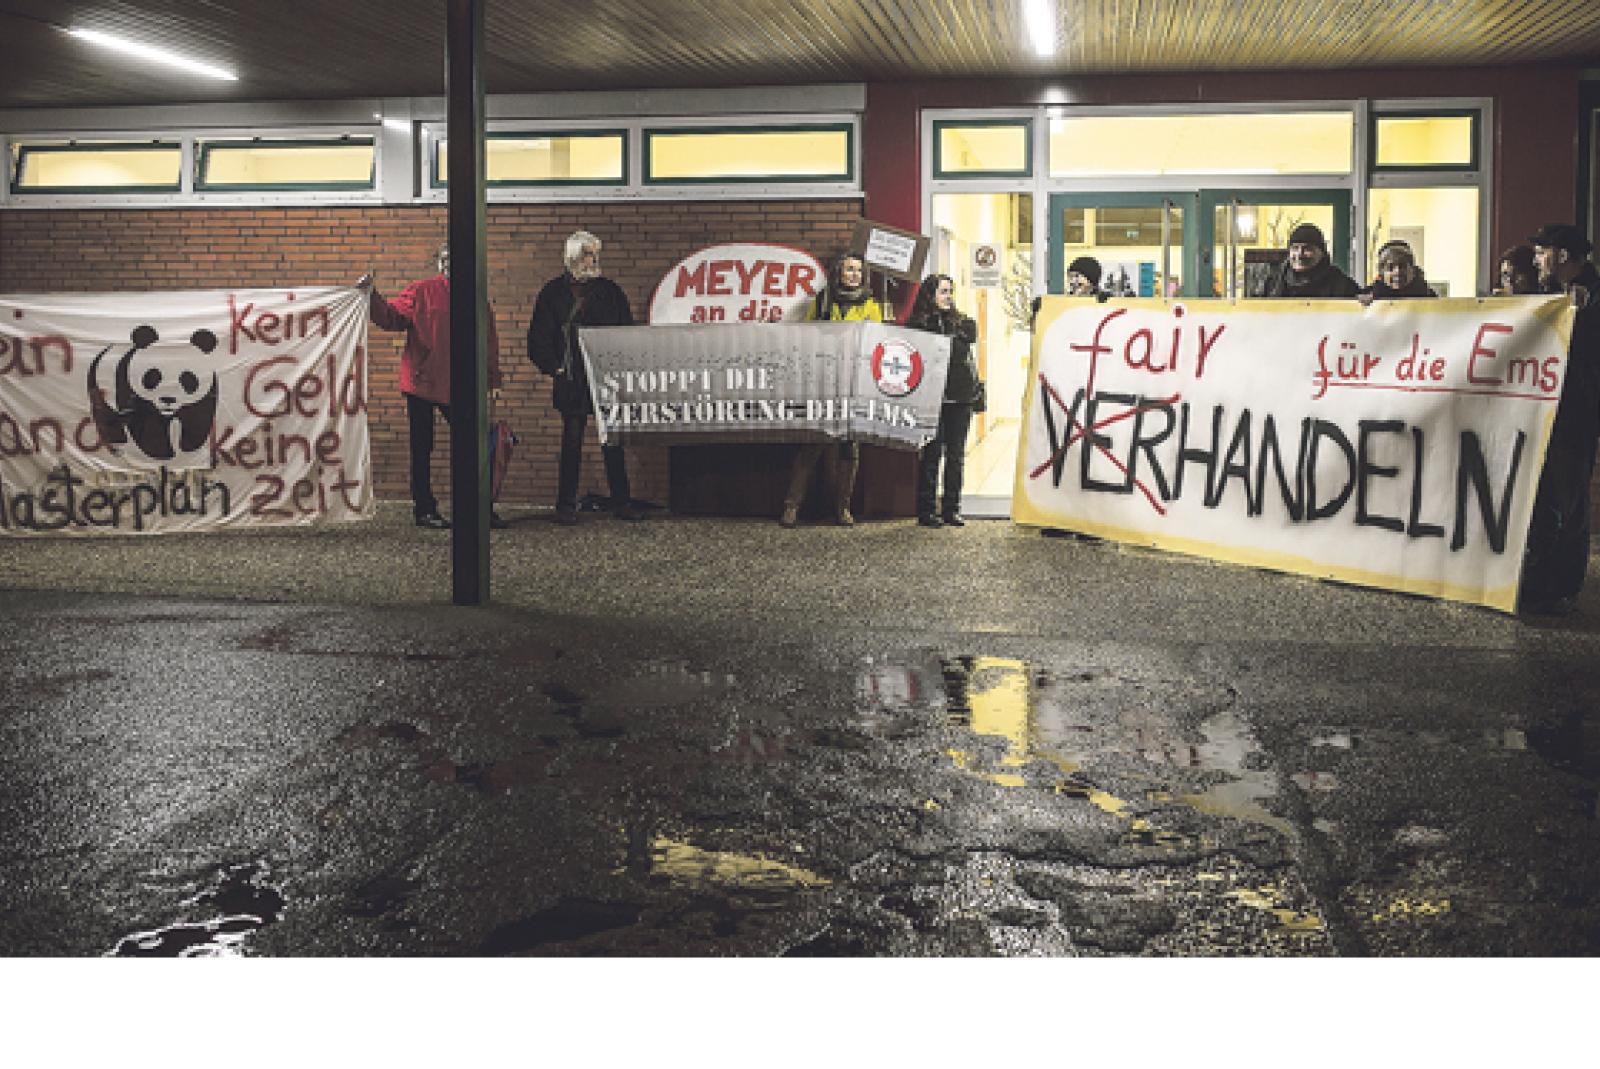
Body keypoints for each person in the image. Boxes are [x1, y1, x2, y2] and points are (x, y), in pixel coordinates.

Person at [363, 243, 504, 530]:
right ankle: (424, 510)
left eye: (454, 258)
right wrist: (371, 296)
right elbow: (392, 318)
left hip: (461, 383)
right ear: (440, 263)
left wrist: (492, 380)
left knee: (475, 445)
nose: (448, 263)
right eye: (444, 259)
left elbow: (488, 341)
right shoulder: (422, 291)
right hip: (423, 382)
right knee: (422, 448)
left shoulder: (477, 297)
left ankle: (480, 508)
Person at [527, 230, 641, 524]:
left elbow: (625, 332)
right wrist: (555, 368)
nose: (595, 260)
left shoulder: (610, 292)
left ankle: (621, 502)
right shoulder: (552, 293)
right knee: (572, 442)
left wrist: (619, 370)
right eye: (589, 254)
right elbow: (539, 337)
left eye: (596, 254)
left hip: (605, 378)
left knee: (612, 442)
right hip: (572, 379)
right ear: (574, 257)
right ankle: (566, 506)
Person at [1520, 223, 1600, 614]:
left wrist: (1580, 317)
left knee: (1569, 501)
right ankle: (1541, 576)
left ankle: (1563, 584)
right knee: (1545, 497)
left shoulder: (1592, 298)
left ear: (1563, 256)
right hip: (1549, 410)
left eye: (1542, 252)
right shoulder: (1552, 294)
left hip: (1574, 415)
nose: (1537, 260)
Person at [780, 252, 883, 528]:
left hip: (853, 383)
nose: (854, 275)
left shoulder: (871, 305)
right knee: (812, 445)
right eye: (849, 269)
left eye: (858, 271)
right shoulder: (822, 301)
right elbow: (807, 338)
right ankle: (792, 507)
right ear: (839, 273)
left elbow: (875, 343)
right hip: (824, 381)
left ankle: (842, 508)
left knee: (849, 449)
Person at [907, 274, 983, 528]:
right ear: (930, 295)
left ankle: (952, 508)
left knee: (956, 456)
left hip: (960, 397)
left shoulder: (962, 322)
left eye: (950, 291)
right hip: (932, 398)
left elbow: (966, 340)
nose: (948, 296)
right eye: (943, 291)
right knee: (932, 455)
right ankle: (926, 510)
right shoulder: (918, 324)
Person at [1252, 222, 1360, 298]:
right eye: (1295, 248)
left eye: (1307, 248)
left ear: (1322, 252)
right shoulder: (1272, 283)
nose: (1299, 254)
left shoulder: (1341, 284)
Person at [1358, 239, 1436, 301]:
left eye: (1402, 266)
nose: (1397, 272)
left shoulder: (1427, 294)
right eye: (1390, 267)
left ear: (1412, 270)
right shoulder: (1370, 293)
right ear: (1382, 273)